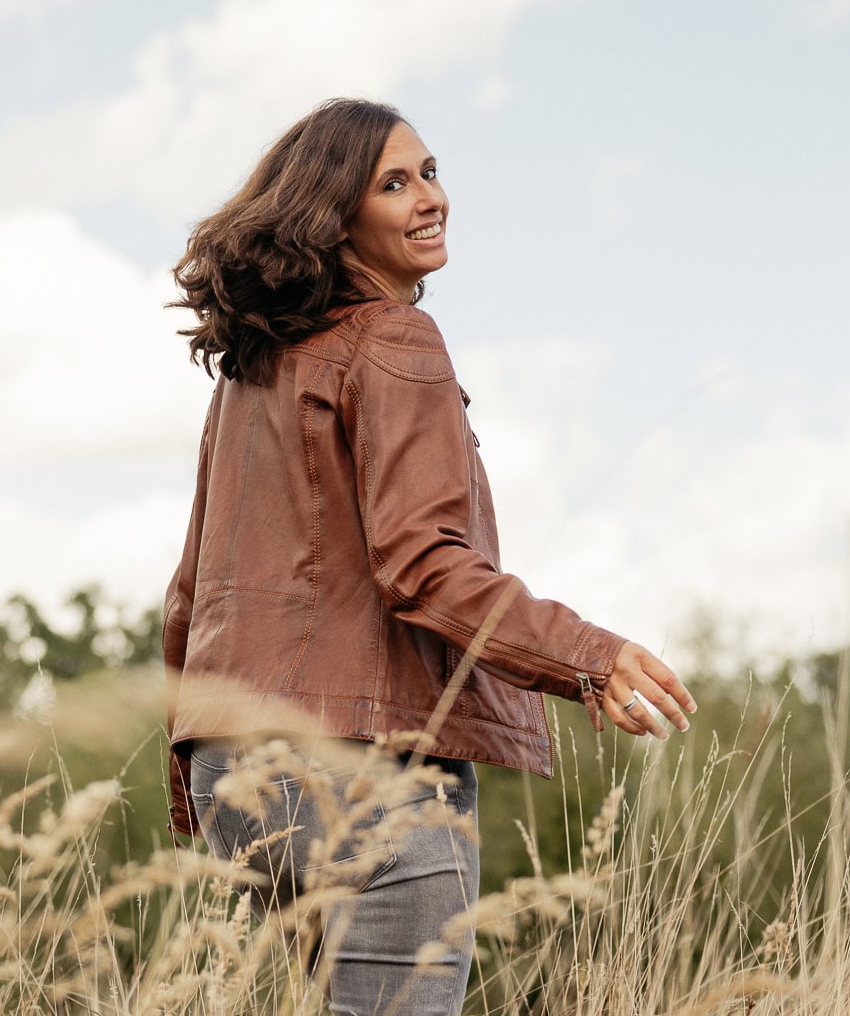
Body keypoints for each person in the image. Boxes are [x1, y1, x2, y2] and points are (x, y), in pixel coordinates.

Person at [162, 97, 697, 1015]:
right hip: (360, 762)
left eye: (431, 173)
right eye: (394, 183)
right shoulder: (395, 337)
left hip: (234, 773)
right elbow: (421, 563)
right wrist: (589, 656)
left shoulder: (251, 370)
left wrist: (196, 781)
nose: (430, 197)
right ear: (337, 218)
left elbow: (187, 594)